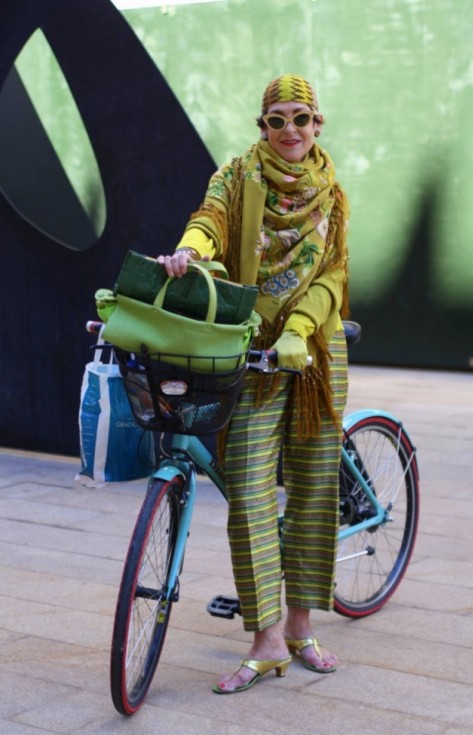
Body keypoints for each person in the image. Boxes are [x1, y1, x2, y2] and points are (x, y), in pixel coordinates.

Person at [158, 74, 350, 694]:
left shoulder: (332, 191)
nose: (290, 130)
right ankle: (265, 641)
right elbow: (209, 220)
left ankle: (300, 628)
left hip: (314, 353)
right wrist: (188, 253)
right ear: (261, 125)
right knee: (248, 490)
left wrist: (298, 327)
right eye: (277, 119)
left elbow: (335, 274)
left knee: (314, 488)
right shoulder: (237, 175)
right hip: (252, 349)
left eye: (301, 117)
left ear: (317, 123)